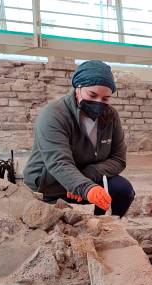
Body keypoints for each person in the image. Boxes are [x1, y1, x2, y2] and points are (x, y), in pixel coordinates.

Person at [23, 60, 135, 217]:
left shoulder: (110, 116)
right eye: (92, 95)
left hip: (86, 179)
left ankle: (103, 225)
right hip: (50, 183)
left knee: (122, 190)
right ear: (77, 88)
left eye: (105, 99)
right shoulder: (54, 114)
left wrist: (89, 176)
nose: (98, 102)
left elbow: (118, 159)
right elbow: (59, 162)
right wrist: (85, 188)